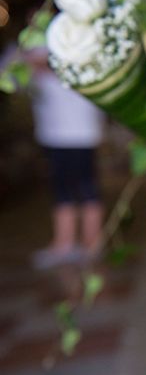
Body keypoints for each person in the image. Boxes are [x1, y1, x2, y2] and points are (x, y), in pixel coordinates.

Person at [3, 44, 106, 268]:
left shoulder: (73, 44)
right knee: (63, 190)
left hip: (81, 131)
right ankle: (66, 243)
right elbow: (8, 77)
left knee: (86, 188)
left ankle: (91, 243)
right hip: (55, 133)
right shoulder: (27, 51)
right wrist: (23, 56)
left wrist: (44, 65)